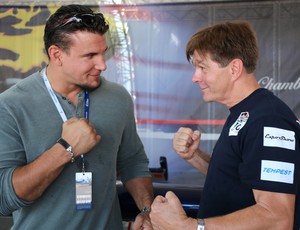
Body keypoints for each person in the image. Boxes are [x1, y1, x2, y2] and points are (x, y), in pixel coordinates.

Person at [0, 4, 153, 230]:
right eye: (90, 55)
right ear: (57, 54)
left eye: (103, 53)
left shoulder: (118, 98)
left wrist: (147, 211)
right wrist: (66, 149)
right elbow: (4, 199)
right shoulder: (11, 105)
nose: (102, 65)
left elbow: (133, 162)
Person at [150, 21, 300, 230]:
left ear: (234, 68)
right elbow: (236, 179)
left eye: (202, 67)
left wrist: (188, 227)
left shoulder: (268, 119)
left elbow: (277, 217)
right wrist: (194, 156)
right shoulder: (244, 113)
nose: (195, 77)